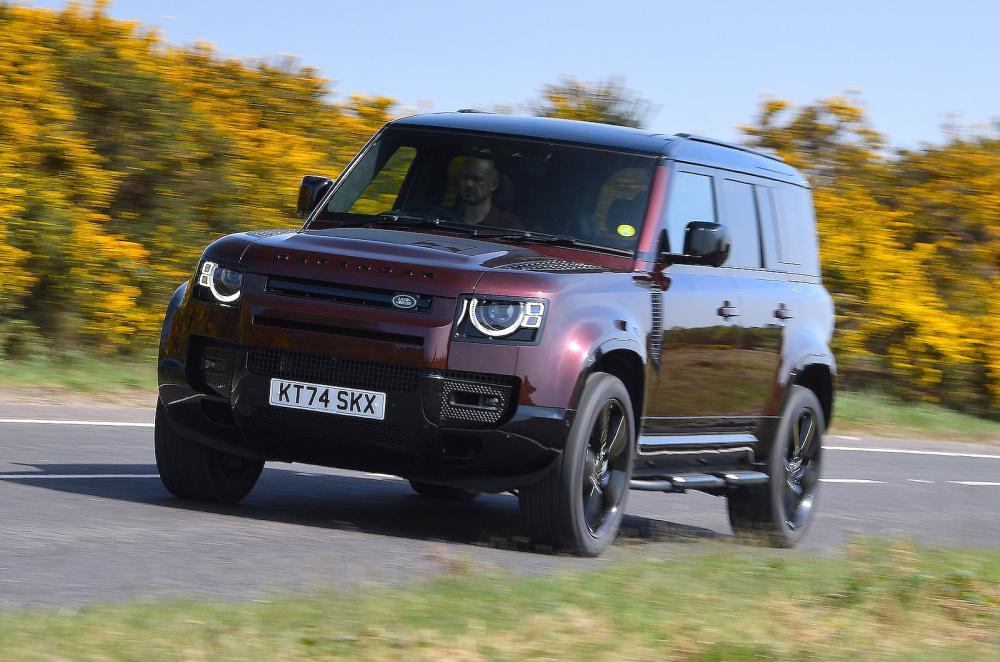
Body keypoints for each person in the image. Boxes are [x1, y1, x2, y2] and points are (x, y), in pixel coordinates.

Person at [455, 157, 522, 229]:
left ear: (493, 184)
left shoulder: (509, 225)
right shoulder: (445, 219)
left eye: (476, 179)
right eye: (464, 178)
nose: (468, 184)